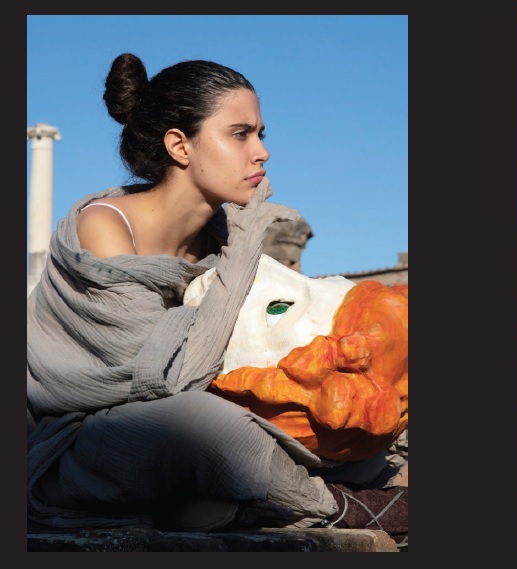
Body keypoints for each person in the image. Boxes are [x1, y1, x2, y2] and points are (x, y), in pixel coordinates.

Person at [26, 52, 407, 547]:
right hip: (75, 444)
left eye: (261, 134)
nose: (261, 152)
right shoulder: (104, 226)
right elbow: (169, 378)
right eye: (240, 134)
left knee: (349, 433)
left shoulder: (222, 234)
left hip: (184, 420)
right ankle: (341, 508)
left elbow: (246, 350)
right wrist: (245, 247)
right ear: (179, 146)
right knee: (201, 427)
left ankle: (225, 505)